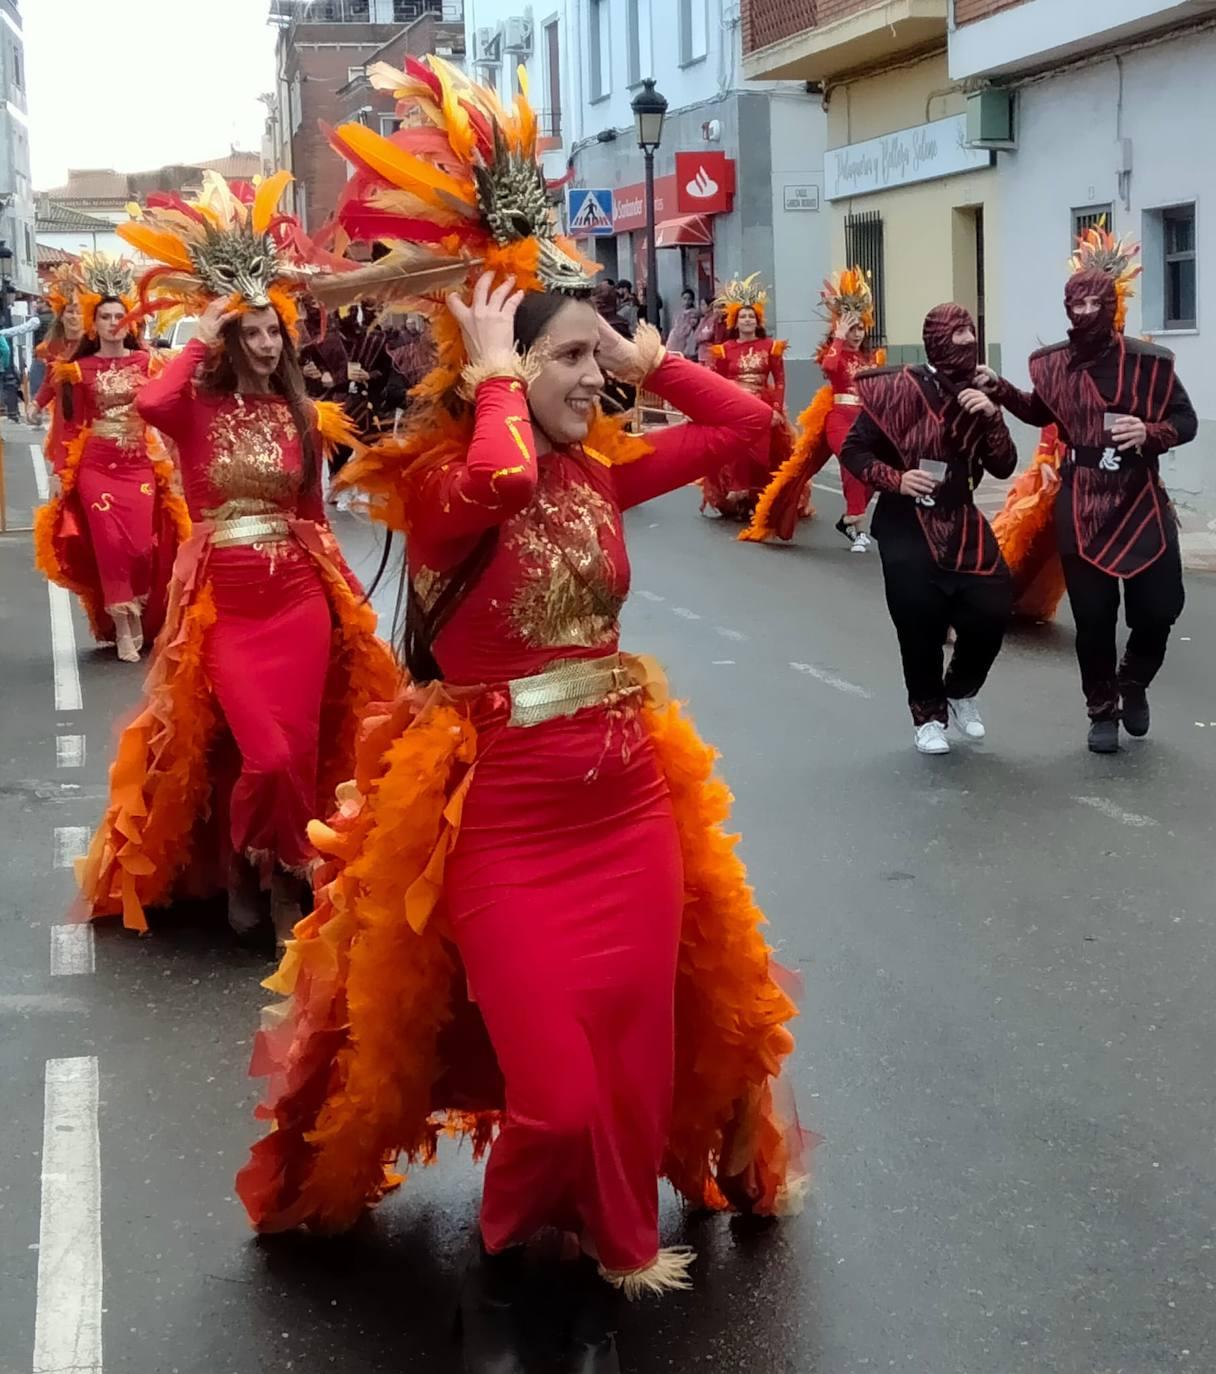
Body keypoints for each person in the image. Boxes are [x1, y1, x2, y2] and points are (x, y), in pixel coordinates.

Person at [236, 57, 808, 1374]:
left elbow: (751, 429)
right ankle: (500, 1270)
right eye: (567, 360)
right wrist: (497, 368)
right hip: (504, 810)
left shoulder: (604, 471)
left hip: (628, 804)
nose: (586, 384)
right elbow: (494, 478)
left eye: (587, 361)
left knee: (622, 1064)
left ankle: (588, 1259)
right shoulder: (442, 480)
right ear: (502, 366)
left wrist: (637, 352)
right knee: (550, 1084)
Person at [77, 170, 399, 945]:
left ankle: (277, 874)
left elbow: (313, 515)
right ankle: (252, 858)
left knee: (302, 748)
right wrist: (206, 325)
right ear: (229, 339)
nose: (262, 342)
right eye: (248, 331)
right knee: (265, 752)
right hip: (226, 600)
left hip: (297, 598)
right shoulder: (193, 406)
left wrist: (344, 598)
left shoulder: (298, 412)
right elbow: (149, 405)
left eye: (271, 331)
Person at [978, 232, 1198, 753]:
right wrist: (1001, 390)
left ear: (1112, 304)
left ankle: (1134, 680)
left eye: (1094, 301)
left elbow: (1185, 419)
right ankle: (1101, 708)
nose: (1084, 311)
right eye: (1075, 303)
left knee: (1160, 607)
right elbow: (1041, 410)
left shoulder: (1150, 362)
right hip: (1081, 500)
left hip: (1140, 496)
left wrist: (1152, 433)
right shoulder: (1053, 364)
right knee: (1094, 617)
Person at [839, 304, 1017, 755]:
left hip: (961, 517)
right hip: (905, 521)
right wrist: (894, 479)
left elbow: (1004, 464)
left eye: (970, 331)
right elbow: (854, 450)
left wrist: (994, 417)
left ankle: (959, 692)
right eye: (954, 333)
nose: (964, 340)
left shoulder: (982, 389)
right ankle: (928, 716)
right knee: (918, 621)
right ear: (934, 339)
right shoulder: (897, 388)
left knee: (993, 607)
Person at [32, 255, 189, 661]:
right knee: (111, 546)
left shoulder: (148, 362)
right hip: (96, 467)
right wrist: (60, 474)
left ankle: (140, 610)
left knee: (142, 548)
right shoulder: (77, 370)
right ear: (94, 324)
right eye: (105, 317)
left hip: (139, 463)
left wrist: (177, 458)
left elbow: (168, 408)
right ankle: (122, 623)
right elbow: (69, 427)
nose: (113, 323)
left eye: (120, 315)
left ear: (130, 322)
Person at [991, 227, 1143, 627]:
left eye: (1103, 302)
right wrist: (1044, 455)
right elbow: (1053, 407)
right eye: (1086, 302)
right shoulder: (1068, 359)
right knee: (1028, 532)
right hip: (1064, 466)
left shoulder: (1135, 360)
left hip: (1113, 472)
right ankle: (979, 600)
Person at [742, 267, 884, 548]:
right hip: (839, 418)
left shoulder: (873, 359)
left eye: (860, 327)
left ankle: (847, 521)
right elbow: (830, 368)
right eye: (851, 327)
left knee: (873, 471)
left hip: (865, 421)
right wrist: (839, 338)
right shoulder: (834, 354)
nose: (857, 333)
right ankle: (857, 521)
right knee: (852, 461)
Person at [701, 274, 792, 521]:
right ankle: (739, 497)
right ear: (735, 321)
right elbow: (716, 383)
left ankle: (756, 500)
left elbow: (780, 380)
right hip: (734, 407)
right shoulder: (724, 350)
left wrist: (776, 408)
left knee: (762, 456)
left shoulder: (771, 347)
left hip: (762, 407)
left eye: (751, 316)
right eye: (743, 316)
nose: (748, 320)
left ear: (758, 319)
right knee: (736, 451)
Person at [31, 265, 85, 471]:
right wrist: (35, 404)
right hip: (65, 419)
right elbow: (49, 382)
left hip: (90, 418)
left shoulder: (95, 345)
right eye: (69, 312)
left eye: (79, 312)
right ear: (61, 316)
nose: (73, 317)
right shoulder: (54, 348)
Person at [665, 286, 700, 360]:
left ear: (692, 300)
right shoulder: (678, 312)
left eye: (689, 299)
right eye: (684, 299)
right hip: (675, 338)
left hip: (687, 339)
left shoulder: (694, 313)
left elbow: (691, 326)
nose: (686, 301)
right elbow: (675, 325)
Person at [694, 296, 726, 366]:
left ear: (709, 307)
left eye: (703, 304)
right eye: (716, 307)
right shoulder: (703, 319)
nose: (701, 307)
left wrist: (701, 337)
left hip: (712, 353)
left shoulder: (714, 320)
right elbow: (696, 336)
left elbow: (708, 335)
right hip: (702, 353)